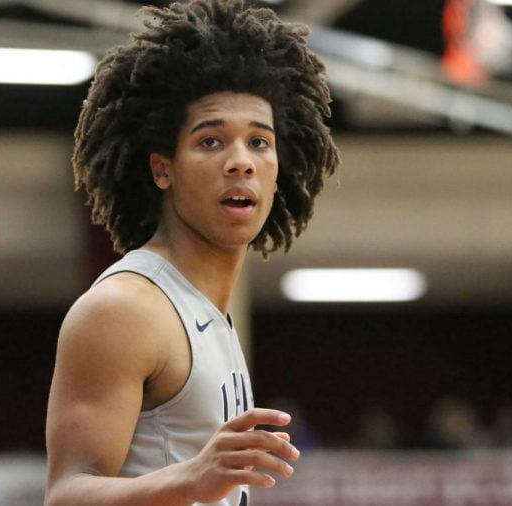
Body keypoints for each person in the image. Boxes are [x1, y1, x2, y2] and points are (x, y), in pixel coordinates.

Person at [44, 1, 340, 505]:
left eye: (259, 142)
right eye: (211, 141)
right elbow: (64, 496)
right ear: (163, 169)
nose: (240, 162)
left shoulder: (208, 315)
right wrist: (190, 479)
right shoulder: (125, 309)